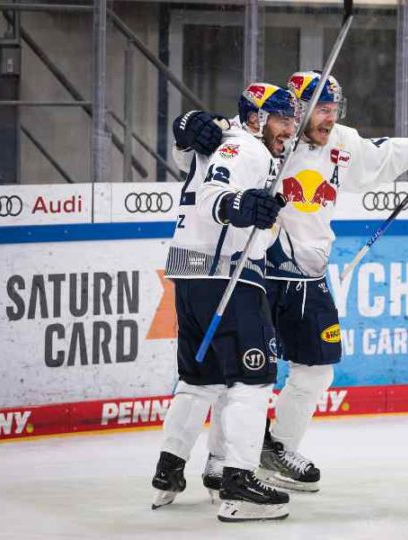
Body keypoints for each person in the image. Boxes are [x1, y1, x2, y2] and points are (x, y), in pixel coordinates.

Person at [182, 70, 408, 494]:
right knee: (246, 374)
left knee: (317, 369)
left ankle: (276, 447)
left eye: (334, 109)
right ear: (294, 109)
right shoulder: (267, 138)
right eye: (321, 108)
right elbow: (207, 147)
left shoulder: (340, 142)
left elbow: (382, 155)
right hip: (260, 269)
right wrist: (189, 125)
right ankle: (222, 460)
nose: (329, 118)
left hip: (309, 274)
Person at [150, 82, 297, 523]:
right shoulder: (244, 148)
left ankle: (168, 470)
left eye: (291, 120)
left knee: (199, 377)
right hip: (226, 274)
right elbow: (219, 196)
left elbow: (193, 159)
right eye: (281, 119)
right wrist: (239, 206)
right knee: (254, 378)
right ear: (255, 118)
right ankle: (239, 483)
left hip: (191, 274)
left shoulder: (222, 141)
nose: (288, 129)